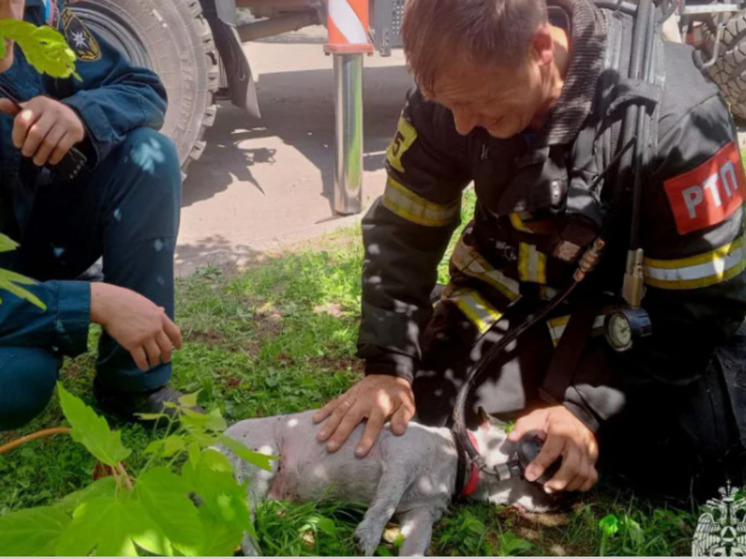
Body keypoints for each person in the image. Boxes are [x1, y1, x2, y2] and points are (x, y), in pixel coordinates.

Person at [314, 0, 746, 498]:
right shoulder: (453, 94)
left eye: (477, 105)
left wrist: (586, 408)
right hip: (516, 298)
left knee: (691, 456)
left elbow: (698, 308)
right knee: (436, 409)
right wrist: (388, 365)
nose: (458, 126)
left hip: (637, 330)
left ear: (542, 48)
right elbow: (403, 233)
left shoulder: (675, 125)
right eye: (448, 104)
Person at [0, 0, 188, 430]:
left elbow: (142, 88)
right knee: (20, 379)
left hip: (34, 238)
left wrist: (80, 113)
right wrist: (87, 302)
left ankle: (134, 385)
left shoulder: (42, 18)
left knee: (150, 155)